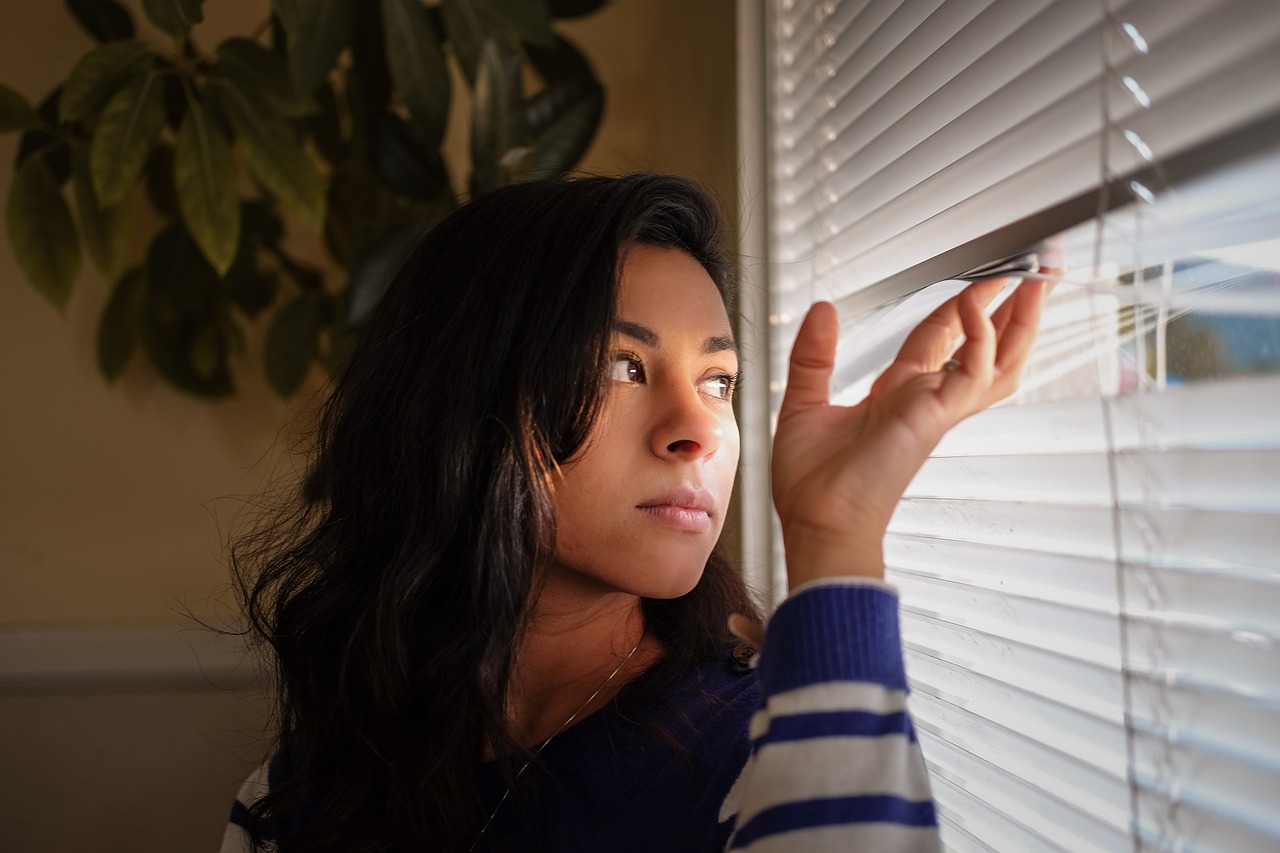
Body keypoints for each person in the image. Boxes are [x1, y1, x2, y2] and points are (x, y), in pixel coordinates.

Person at [220, 174, 1048, 852]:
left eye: (717, 380)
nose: (697, 429)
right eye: (623, 365)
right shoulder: (306, 788)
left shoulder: (762, 758)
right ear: (464, 397)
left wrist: (835, 537)